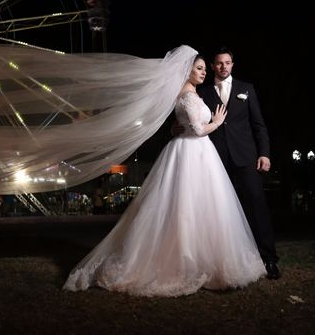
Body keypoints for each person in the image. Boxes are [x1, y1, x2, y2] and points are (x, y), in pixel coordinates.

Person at [63, 54, 266, 297]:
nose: (204, 72)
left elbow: (184, 122)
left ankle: (200, 257)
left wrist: (177, 126)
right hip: (192, 151)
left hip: (198, 152)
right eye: (199, 68)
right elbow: (199, 129)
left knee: (199, 207)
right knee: (186, 206)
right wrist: (218, 122)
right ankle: (187, 259)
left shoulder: (190, 92)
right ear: (187, 70)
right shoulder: (188, 94)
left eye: (204, 69)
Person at [196, 47, 280, 279]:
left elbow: (259, 125)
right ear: (213, 66)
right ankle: (222, 261)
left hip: (246, 158)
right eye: (219, 63)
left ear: (233, 65)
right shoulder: (201, 92)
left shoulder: (246, 89)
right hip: (214, 159)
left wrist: (264, 153)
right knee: (218, 210)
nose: (223, 66)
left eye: (228, 63)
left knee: (256, 206)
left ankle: (269, 259)